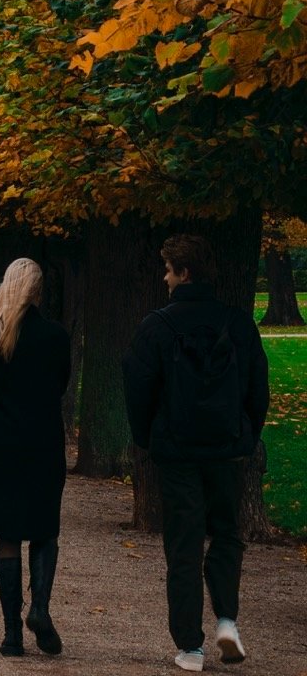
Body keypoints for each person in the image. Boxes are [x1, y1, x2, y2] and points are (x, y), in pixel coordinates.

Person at [123, 234, 269, 672]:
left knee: (183, 545)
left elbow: (138, 388)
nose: (164, 277)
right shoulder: (238, 324)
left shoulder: (156, 326)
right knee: (226, 534)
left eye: (168, 269)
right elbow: (257, 389)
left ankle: (190, 646)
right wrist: (245, 435)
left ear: (183, 273)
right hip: (226, 449)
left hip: (178, 450)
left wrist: (148, 438)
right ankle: (227, 619)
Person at [0, 258, 71, 658]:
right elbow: (60, 385)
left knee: (7, 536)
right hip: (41, 444)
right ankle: (40, 608)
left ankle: (11, 634)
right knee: (43, 530)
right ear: (38, 291)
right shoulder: (55, 337)